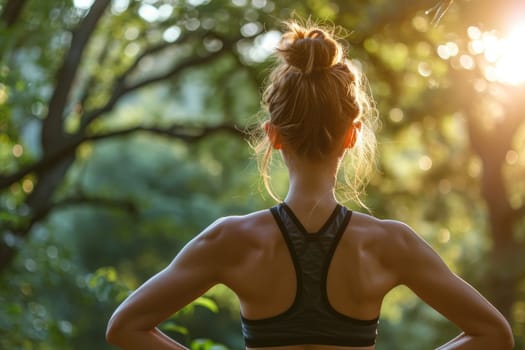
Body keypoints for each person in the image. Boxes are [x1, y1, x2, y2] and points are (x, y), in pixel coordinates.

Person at [105, 20, 514, 350]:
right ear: (351, 135)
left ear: (274, 135)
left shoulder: (231, 240)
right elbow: (494, 334)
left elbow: (125, 327)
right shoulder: (390, 244)